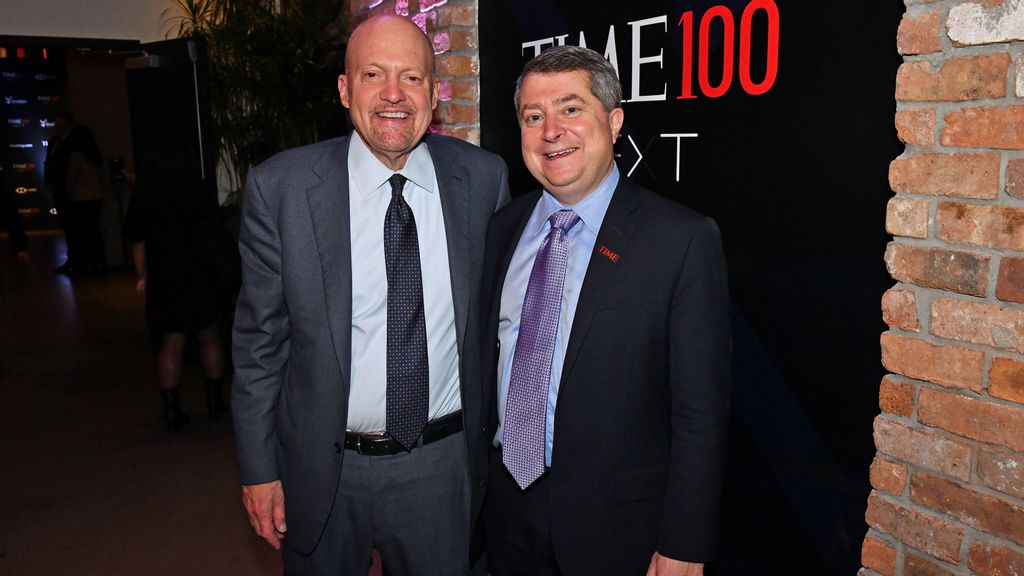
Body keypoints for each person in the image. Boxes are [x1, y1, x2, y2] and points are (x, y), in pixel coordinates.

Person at [231, 14, 510, 576]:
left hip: (440, 466)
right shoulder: (281, 189)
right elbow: (260, 343)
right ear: (344, 89)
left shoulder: (483, 181)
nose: (392, 95)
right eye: (373, 75)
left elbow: (499, 327)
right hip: (323, 470)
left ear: (434, 94)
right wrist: (259, 468)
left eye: (411, 78)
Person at [480, 45, 732, 576]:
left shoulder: (681, 240)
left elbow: (700, 412)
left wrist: (685, 542)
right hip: (504, 515)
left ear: (614, 122)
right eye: (533, 116)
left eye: (571, 109)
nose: (551, 130)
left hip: (618, 531)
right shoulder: (503, 229)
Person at [123, 143, 231, 432]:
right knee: (209, 336)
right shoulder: (196, 188)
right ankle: (214, 402)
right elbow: (214, 233)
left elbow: (138, 241)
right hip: (200, 272)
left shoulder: (146, 192)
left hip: (165, 274)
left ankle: (172, 410)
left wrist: (142, 275)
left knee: (172, 341)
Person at [61, 123, 107, 276]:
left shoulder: (76, 156)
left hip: (80, 198)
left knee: (82, 233)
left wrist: (66, 195)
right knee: (93, 231)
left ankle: (84, 264)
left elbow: (71, 179)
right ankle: (98, 262)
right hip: (96, 197)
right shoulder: (95, 155)